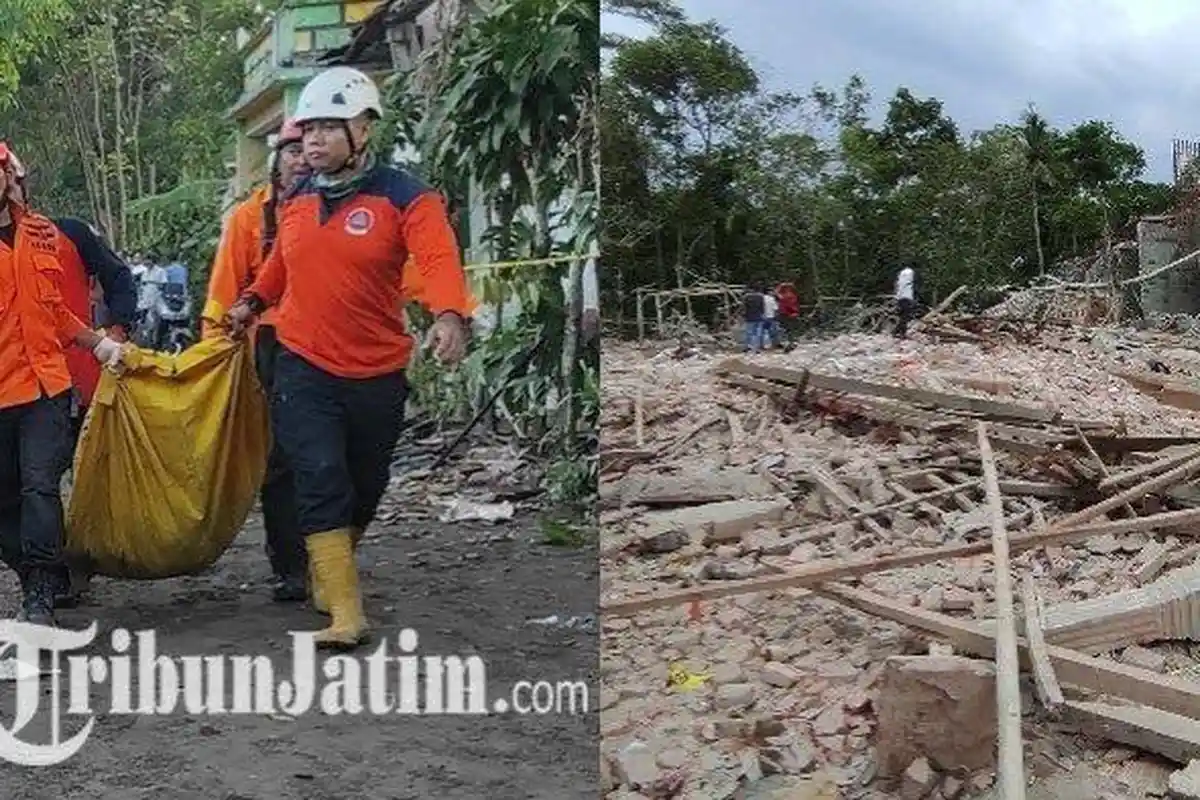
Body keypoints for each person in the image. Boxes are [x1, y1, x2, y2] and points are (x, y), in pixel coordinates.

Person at [223, 67, 472, 650]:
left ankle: (328, 572)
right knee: (318, 473)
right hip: (302, 361)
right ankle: (344, 610)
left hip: (377, 369)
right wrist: (252, 301)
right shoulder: (300, 199)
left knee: (367, 481)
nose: (312, 140)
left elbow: (438, 259)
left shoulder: (407, 197)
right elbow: (281, 265)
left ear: (362, 129)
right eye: (307, 129)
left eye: (327, 128)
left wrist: (448, 316)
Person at [0, 142, 126, 625]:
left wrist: (99, 343)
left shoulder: (40, 234)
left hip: (45, 388)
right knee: (6, 500)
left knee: (40, 488)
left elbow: (54, 309)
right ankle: (39, 572)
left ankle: (39, 595)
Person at [201, 117, 312, 603]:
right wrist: (212, 354)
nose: (302, 160)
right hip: (273, 347)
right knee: (283, 459)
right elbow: (224, 289)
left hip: (334, 345)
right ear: (277, 160)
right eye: (293, 151)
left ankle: (328, 553)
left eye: (308, 150)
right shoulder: (249, 219)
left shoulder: (343, 209)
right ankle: (292, 564)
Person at [894, 264, 916, 339]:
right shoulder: (909, 273)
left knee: (903, 316)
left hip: (901, 297)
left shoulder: (901, 276)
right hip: (906, 298)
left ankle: (897, 331)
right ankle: (901, 332)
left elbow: (898, 286)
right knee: (905, 316)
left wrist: (897, 296)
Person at [742, 285, 765, 352]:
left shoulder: (746, 296)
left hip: (749, 317)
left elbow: (744, 307)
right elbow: (762, 307)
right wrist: (762, 314)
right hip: (759, 316)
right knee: (758, 333)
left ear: (751, 289)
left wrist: (744, 315)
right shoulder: (761, 296)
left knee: (749, 332)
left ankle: (748, 346)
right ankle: (757, 348)